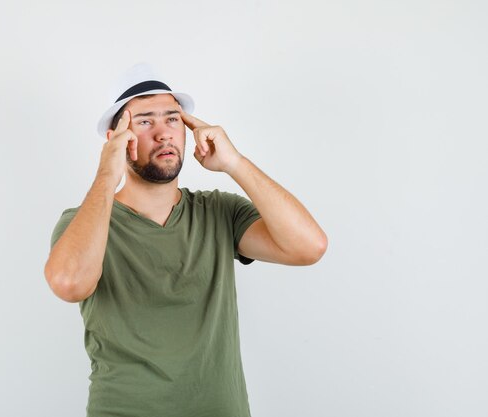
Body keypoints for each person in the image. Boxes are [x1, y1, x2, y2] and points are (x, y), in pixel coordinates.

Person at [44, 63, 328, 417]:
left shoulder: (219, 211)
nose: (163, 133)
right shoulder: (83, 222)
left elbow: (309, 247)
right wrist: (107, 173)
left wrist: (235, 162)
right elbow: (69, 283)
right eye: (145, 121)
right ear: (117, 138)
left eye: (173, 119)